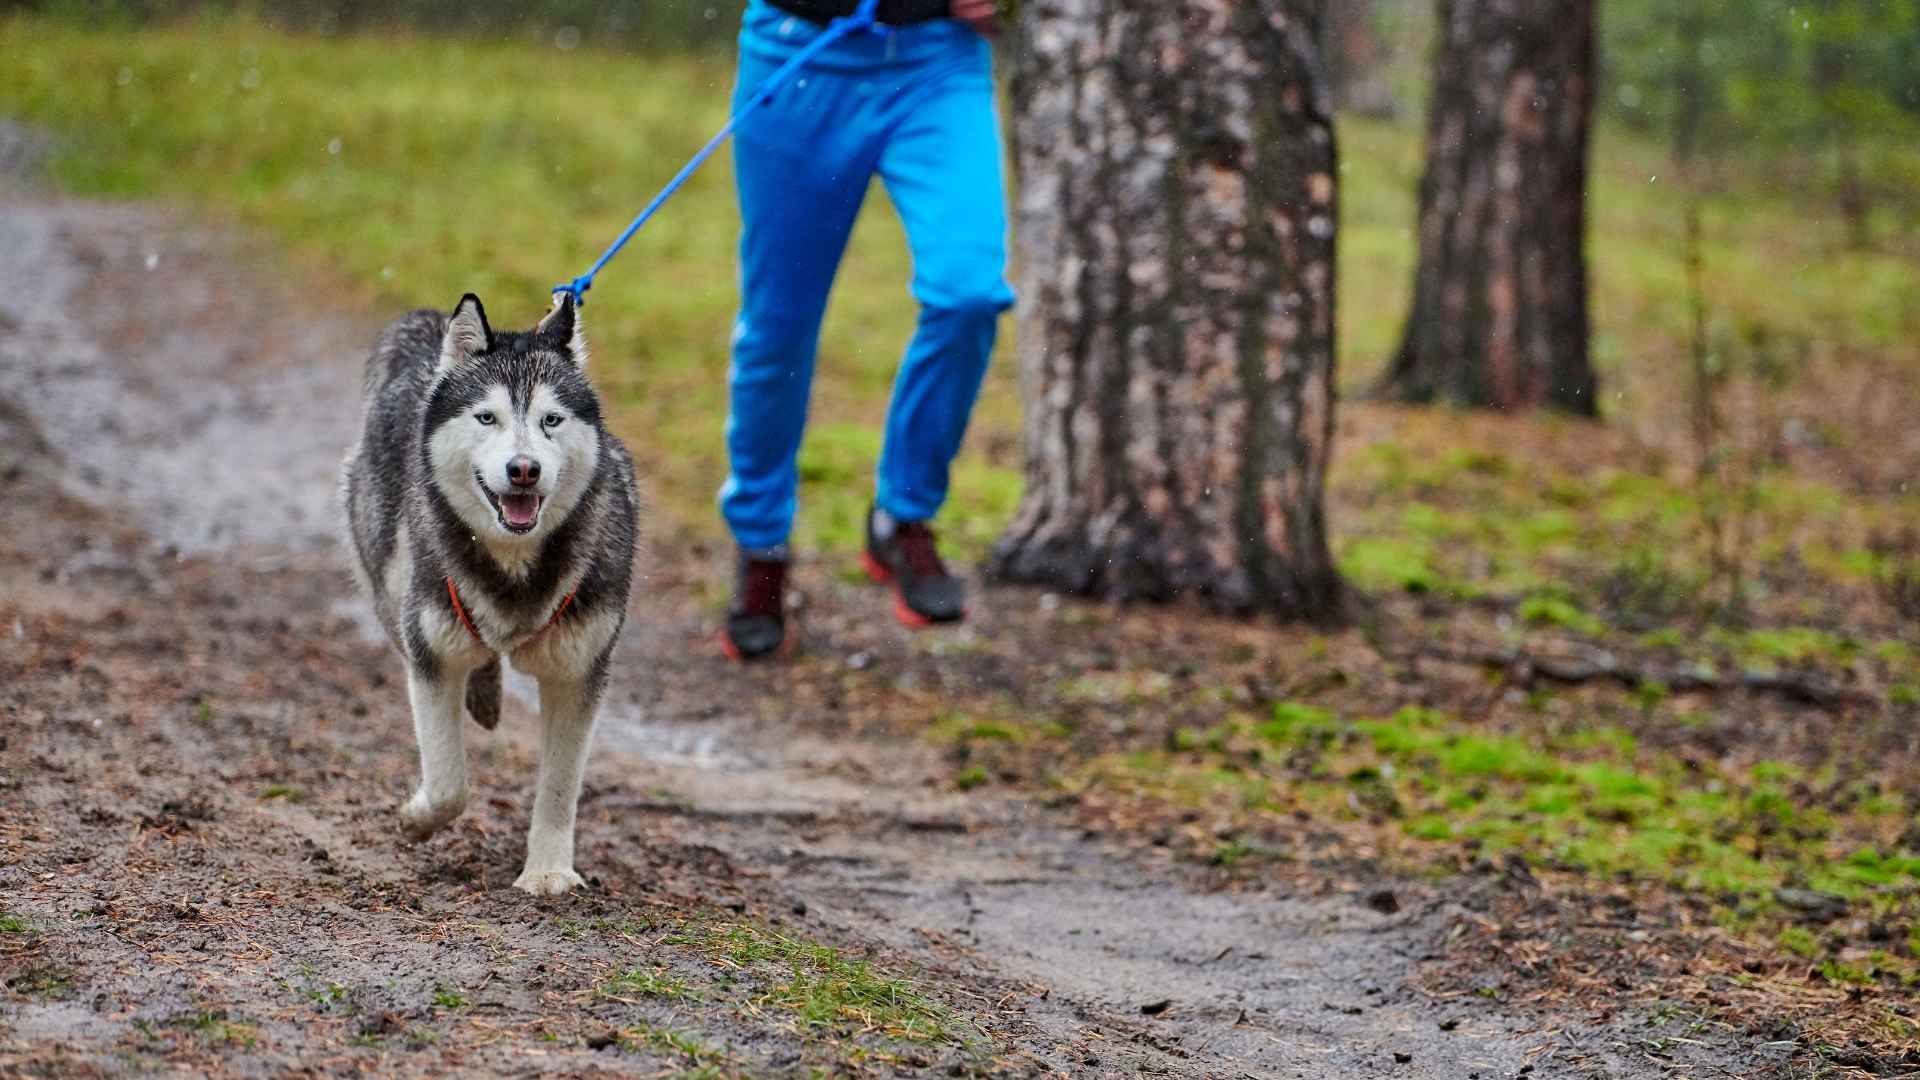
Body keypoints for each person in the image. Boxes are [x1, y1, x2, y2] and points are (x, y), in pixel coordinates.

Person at [719, 0, 1014, 661]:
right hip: (799, 57)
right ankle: (761, 544)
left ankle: (902, 514)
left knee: (968, 293)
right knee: (779, 329)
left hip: (937, 60)